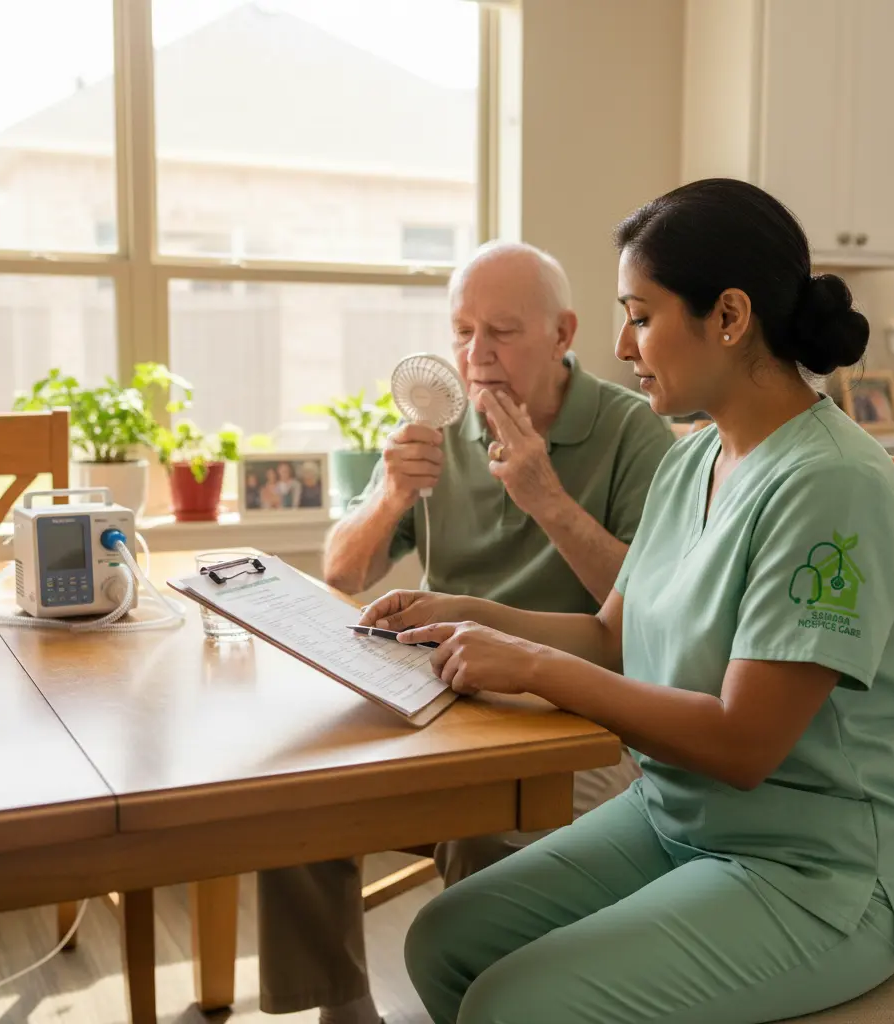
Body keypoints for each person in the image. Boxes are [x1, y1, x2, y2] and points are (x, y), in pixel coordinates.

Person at [363, 180, 894, 1024]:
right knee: (444, 941)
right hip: (674, 817)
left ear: (729, 317)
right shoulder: (691, 458)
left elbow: (744, 745)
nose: (624, 346)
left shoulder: (830, 486)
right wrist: (467, 614)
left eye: (640, 314)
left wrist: (533, 666)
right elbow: (611, 634)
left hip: (818, 870)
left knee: (513, 1005)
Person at [255, 240, 675, 1023]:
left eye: (502, 331)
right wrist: (386, 500)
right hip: (433, 687)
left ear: (563, 333)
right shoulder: (437, 427)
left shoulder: (633, 435)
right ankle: (343, 1006)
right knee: (296, 792)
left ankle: (484, 1004)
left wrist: (546, 496)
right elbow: (343, 573)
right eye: (461, 331)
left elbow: (647, 610)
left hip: (572, 709)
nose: (476, 355)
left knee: (490, 835)